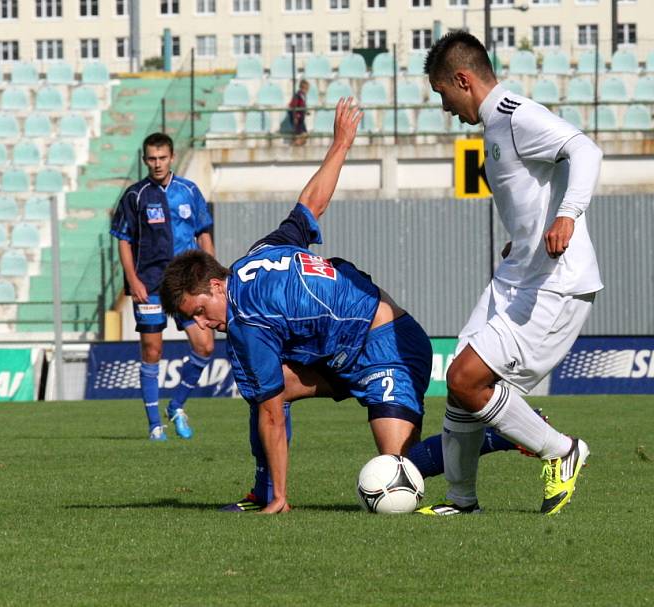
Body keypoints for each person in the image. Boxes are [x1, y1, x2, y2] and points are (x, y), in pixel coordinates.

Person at [160, 99, 539, 513]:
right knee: (267, 386)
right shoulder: (260, 253)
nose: (200, 323)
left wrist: (285, 501)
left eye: (197, 310)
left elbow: (271, 415)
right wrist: (340, 144)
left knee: (398, 469)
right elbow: (310, 206)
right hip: (337, 354)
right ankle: (263, 492)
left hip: (388, 347)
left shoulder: (246, 317)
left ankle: (505, 433)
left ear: (217, 285)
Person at [420, 31, 603, 516]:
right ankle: (461, 501)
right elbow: (534, 192)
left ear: (463, 79)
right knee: (459, 381)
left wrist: (568, 214)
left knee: (466, 379)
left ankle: (563, 451)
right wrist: (525, 237)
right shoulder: (494, 128)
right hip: (518, 274)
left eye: (443, 94)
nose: (445, 107)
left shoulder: (515, 115)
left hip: (554, 283)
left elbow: (585, 150)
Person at [110, 132, 215, 442]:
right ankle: (155, 425)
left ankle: (177, 405)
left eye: (162, 158)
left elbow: (204, 234)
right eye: (151, 158)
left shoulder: (189, 191)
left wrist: (210, 275)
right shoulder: (135, 195)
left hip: (186, 283)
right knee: (152, 350)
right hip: (151, 283)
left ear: (171, 158)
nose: (157, 164)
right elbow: (124, 240)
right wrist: (133, 279)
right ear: (145, 160)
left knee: (205, 345)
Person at [288, 80, 309, 146]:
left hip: (301, 118)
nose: (306, 91)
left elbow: (302, 106)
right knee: (300, 134)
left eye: (307, 89)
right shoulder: (297, 95)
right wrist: (295, 117)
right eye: (305, 89)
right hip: (297, 118)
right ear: (302, 88)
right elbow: (294, 107)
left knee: (304, 134)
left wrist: (305, 112)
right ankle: (294, 144)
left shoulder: (303, 96)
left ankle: (296, 144)